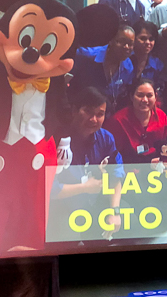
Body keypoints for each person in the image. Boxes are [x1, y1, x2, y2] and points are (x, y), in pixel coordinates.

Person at [48, 87, 125, 242]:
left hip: (95, 202)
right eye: (88, 112)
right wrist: (85, 187)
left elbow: (117, 173)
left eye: (100, 114)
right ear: (74, 111)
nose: (94, 119)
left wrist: (114, 210)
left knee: (130, 223)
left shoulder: (106, 138)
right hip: (64, 208)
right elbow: (50, 189)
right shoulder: (56, 140)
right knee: (66, 240)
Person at [68, 25, 136, 115]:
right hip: (77, 113)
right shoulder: (87, 56)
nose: (126, 47)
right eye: (121, 41)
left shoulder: (128, 67)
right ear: (111, 40)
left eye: (130, 44)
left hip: (104, 116)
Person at [103, 78, 167, 165]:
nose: (145, 100)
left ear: (155, 97)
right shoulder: (117, 121)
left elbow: (165, 143)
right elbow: (110, 155)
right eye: (140, 95)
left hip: (157, 166)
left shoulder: (161, 116)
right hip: (127, 169)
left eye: (149, 95)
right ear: (132, 97)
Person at [130, 20, 165, 93]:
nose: (148, 43)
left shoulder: (158, 64)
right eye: (143, 38)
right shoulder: (124, 59)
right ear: (133, 39)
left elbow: (158, 90)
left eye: (151, 39)